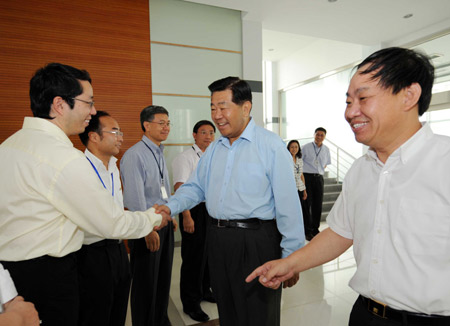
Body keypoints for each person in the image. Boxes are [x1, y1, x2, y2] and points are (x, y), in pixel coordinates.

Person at [247, 47, 450, 325]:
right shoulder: (361, 170)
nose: (350, 112)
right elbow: (341, 233)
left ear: (409, 95)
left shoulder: (444, 163)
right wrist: (289, 263)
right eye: (348, 101)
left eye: (363, 98)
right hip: (365, 314)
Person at [0, 63, 168, 326]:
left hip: (10, 278)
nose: (92, 111)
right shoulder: (63, 158)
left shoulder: (8, 146)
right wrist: (153, 219)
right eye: (87, 102)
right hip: (49, 277)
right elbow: (110, 222)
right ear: (59, 104)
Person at [156, 77, 305, 326]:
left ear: (246, 107)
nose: (217, 115)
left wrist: (292, 257)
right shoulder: (215, 149)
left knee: (258, 314)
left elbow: (288, 205)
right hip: (218, 239)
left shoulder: (270, 146)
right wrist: (170, 206)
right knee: (228, 310)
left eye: (223, 107)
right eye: (213, 107)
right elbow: (195, 188)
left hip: (256, 241)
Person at [120, 105, 177, 326]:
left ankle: (160, 320)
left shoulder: (159, 151)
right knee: (145, 285)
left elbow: (163, 189)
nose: (166, 127)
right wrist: (147, 229)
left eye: (168, 123)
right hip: (147, 229)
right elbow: (134, 200)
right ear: (146, 125)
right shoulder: (135, 155)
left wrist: (170, 215)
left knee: (162, 280)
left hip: (163, 224)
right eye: (161, 123)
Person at [77, 111, 130, 326]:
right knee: (95, 315)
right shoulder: (78, 168)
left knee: (118, 311)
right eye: (115, 131)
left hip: (117, 249)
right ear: (94, 136)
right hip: (91, 254)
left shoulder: (113, 167)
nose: (121, 137)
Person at [172, 120, 216, 322]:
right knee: (193, 259)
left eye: (211, 133)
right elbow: (181, 188)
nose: (208, 136)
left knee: (208, 256)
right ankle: (190, 303)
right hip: (193, 211)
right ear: (194, 135)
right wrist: (187, 216)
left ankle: (205, 290)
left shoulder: (213, 155)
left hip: (211, 210)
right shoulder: (185, 157)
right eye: (204, 132)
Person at [301, 127, 331, 240]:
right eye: (317, 134)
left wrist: (318, 171)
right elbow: (300, 161)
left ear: (324, 137)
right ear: (314, 135)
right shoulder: (306, 147)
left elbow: (325, 164)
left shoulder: (326, 149)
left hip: (319, 178)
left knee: (317, 205)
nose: (319, 137)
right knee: (306, 204)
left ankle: (315, 229)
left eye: (322, 135)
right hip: (307, 178)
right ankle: (307, 231)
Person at [287, 140, 310, 239]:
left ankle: (301, 231)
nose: (294, 149)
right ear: (288, 148)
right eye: (292, 147)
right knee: (292, 211)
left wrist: (304, 190)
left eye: (296, 147)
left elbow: (301, 174)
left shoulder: (299, 159)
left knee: (301, 211)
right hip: (290, 188)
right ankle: (292, 232)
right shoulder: (286, 158)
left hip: (299, 187)